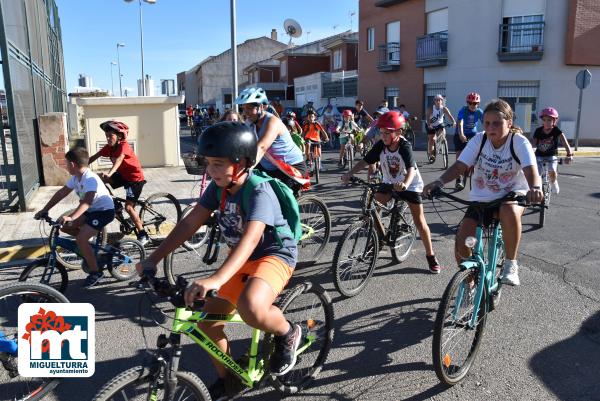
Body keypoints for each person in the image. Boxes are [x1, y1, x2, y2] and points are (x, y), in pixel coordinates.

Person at [135, 122, 301, 399]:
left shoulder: (260, 192)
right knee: (206, 321)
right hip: (241, 259)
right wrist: (153, 258)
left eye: (218, 164)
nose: (211, 171)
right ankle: (230, 379)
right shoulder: (219, 187)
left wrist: (215, 279)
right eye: (208, 163)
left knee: (251, 308)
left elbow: (250, 238)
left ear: (243, 163)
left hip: (273, 255)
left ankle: (287, 331)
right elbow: (190, 225)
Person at [423, 99, 544, 286]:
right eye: (487, 123)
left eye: (497, 123)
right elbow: (460, 165)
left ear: (509, 123)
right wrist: (439, 181)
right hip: (482, 198)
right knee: (463, 242)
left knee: (508, 211)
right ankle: (470, 283)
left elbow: (530, 170)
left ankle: (511, 265)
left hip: (512, 194)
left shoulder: (519, 142)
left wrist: (535, 188)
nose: (490, 127)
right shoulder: (479, 139)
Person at [342, 111, 442, 273]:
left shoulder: (404, 146)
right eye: (381, 132)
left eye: (387, 132)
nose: (383, 136)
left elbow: (410, 169)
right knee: (374, 205)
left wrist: (405, 184)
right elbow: (366, 161)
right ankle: (377, 240)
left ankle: (431, 255)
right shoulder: (381, 145)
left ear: (399, 132)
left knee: (419, 221)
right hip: (389, 182)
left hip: (410, 185)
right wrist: (349, 174)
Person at [35, 148, 115, 288]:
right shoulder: (76, 178)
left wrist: (72, 217)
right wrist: (45, 210)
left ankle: (96, 272)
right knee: (65, 227)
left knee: (81, 238)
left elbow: (87, 201)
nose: (66, 166)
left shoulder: (90, 179)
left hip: (104, 211)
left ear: (72, 164)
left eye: (66, 163)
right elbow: (61, 193)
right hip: (91, 210)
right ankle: (89, 248)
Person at [235, 87, 308, 194]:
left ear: (261, 107)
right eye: (243, 108)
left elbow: (261, 147)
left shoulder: (272, 122)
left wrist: (243, 170)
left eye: (250, 108)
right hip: (269, 166)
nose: (246, 113)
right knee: (249, 192)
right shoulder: (249, 122)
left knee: (281, 200)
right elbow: (241, 143)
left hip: (290, 169)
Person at [89, 120, 149, 245]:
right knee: (100, 179)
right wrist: (81, 166)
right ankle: (115, 204)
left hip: (134, 179)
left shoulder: (124, 146)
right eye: (106, 136)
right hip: (123, 176)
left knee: (129, 207)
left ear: (119, 136)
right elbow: (94, 156)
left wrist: (110, 173)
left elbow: (119, 161)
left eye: (110, 136)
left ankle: (143, 234)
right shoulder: (109, 148)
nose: (108, 138)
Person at [533, 107, 573, 194]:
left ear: (554, 121)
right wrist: (529, 153)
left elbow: (565, 142)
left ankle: (554, 183)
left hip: (551, 156)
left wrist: (569, 154)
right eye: (544, 120)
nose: (546, 122)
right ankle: (537, 189)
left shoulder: (556, 131)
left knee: (552, 170)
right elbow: (533, 144)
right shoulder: (538, 131)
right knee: (536, 173)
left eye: (549, 120)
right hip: (539, 155)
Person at [453, 92, 484, 190]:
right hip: (460, 134)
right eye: (470, 103)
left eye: (475, 103)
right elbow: (460, 122)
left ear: (478, 104)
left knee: (477, 153)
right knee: (459, 157)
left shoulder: (479, 112)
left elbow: (486, 122)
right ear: (467, 103)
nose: (472, 105)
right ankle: (458, 178)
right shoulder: (463, 110)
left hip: (472, 134)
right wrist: (461, 134)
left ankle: (475, 170)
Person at [426, 94, 456, 163]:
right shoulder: (430, 109)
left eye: (440, 100)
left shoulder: (444, 109)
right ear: (434, 101)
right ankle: (430, 154)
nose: (438, 101)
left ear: (442, 101)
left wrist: (454, 122)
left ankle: (440, 144)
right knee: (432, 139)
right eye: (437, 100)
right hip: (430, 124)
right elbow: (427, 118)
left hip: (439, 124)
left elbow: (449, 116)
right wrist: (429, 125)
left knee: (443, 132)